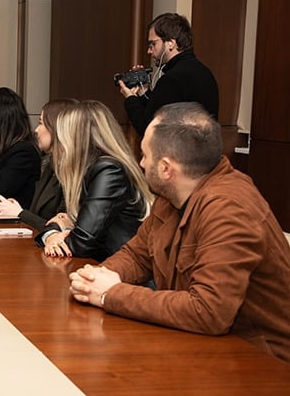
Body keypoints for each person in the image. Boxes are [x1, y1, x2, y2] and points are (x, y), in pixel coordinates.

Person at [68, 103, 290, 361]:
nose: (140, 163)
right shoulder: (172, 194)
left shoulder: (229, 209)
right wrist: (96, 278)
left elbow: (208, 311)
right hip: (198, 347)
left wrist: (111, 294)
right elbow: (138, 255)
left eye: (144, 155)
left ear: (166, 168)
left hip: (260, 365)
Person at [38, 100, 151, 261]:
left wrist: (58, 236)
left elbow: (82, 242)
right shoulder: (87, 170)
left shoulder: (109, 170)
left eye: (63, 135)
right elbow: (63, 219)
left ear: (77, 137)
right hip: (101, 265)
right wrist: (52, 234)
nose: (59, 142)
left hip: (123, 272)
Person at [119, 12, 219, 137]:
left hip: (177, 155)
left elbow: (149, 130)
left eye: (153, 44)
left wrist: (130, 99)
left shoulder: (173, 79)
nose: (149, 51)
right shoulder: (203, 72)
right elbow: (161, 111)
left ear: (171, 43)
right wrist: (143, 92)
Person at [0, 98, 73, 230]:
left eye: (41, 123)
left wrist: (19, 213)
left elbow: (60, 229)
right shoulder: (50, 164)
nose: (36, 130)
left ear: (56, 128)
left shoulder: (73, 172)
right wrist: (14, 209)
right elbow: (38, 215)